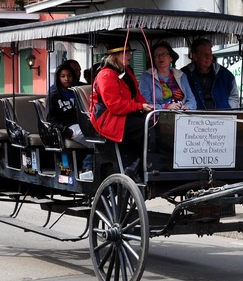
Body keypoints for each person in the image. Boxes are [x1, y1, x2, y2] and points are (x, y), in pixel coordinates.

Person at [90, 44, 153, 179]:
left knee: (155, 125)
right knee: (146, 129)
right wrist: (139, 107)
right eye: (126, 53)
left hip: (125, 114)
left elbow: (136, 95)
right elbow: (114, 106)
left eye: (129, 53)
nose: (130, 56)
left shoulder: (126, 71)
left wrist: (146, 105)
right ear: (115, 56)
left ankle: (146, 165)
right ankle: (135, 168)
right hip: (108, 118)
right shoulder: (105, 75)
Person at [181, 38, 239, 109]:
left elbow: (234, 98)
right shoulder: (184, 75)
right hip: (194, 118)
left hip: (222, 117)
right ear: (195, 56)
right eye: (204, 54)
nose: (208, 57)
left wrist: (228, 109)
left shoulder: (225, 75)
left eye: (210, 53)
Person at [139, 41, 196, 110]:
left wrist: (187, 107)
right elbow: (145, 104)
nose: (160, 57)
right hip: (159, 117)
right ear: (153, 60)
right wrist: (166, 107)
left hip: (181, 115)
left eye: (164, 54)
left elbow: (191, 100)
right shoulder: (146, 76)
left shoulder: (181, 75)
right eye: (156, 55)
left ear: (171, 58)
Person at [46, 63, 88, 147]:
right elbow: (51, 120)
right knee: (90, 136)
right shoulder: (53, 96)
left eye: (69, 76)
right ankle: (89, 159)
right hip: (67, 128)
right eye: (63, 76)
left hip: (83, 124)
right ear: (58, 78)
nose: (66, 79)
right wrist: (67, 131)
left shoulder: (78, 93)